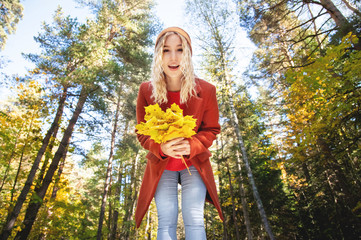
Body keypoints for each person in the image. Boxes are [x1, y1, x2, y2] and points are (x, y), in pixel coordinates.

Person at [134, 26, 224, 239]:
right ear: (158, 55)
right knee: (165, 222)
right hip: (162, 164)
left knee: (194, 220)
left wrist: (192, 145)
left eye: (180, 50)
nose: (173, 57)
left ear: (188, 54)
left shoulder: (207, 90)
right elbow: (142, 133)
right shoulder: (146, 90)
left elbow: (211, 129)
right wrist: (161, 147)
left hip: (194, 163)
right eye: (166, 50)